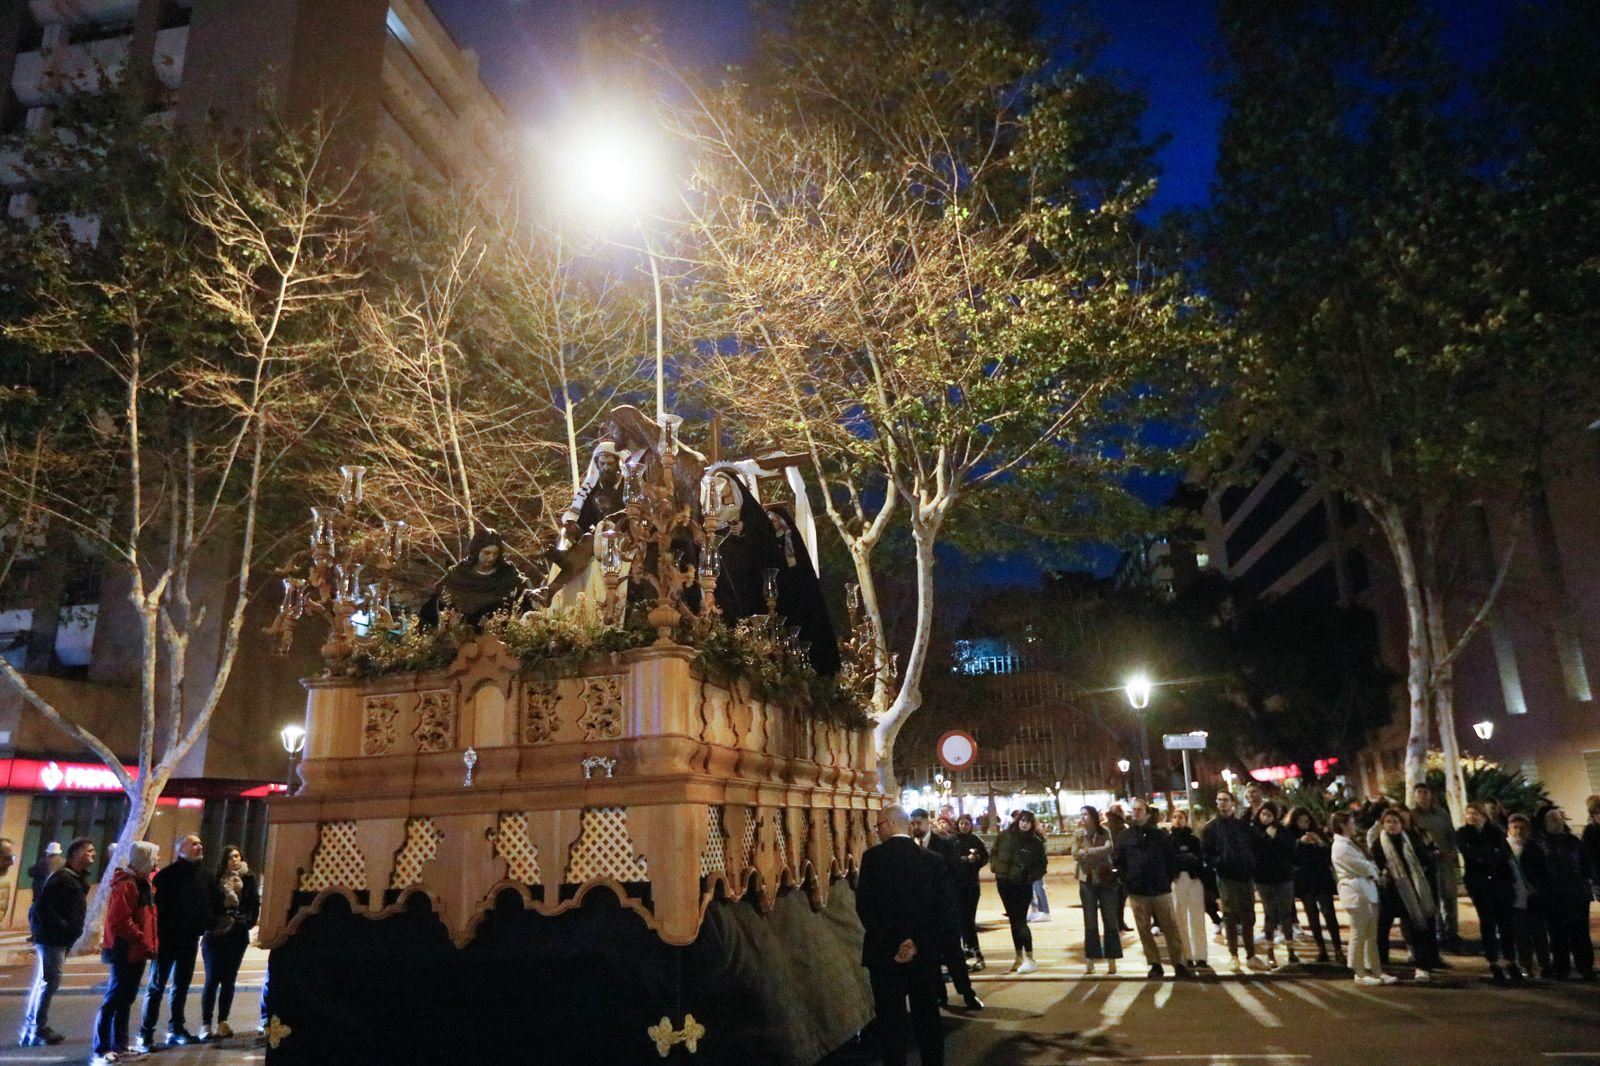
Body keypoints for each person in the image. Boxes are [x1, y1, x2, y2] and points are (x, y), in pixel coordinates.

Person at [855, 804, 945, 1066]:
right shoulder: (932, 861)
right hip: (923, 956)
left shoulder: (872, 858)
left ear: (892, 824)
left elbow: (865, 907)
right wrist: (915, 943)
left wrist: (893, 943)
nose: (877, 830)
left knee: (891, 1023)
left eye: (879, 825)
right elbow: (941, 911)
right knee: (927, 1019)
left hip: (884, 955)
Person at [19, 836, 94, 1047]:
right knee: (48, 983)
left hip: (58, 939)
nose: (93, 854)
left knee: (45, 983)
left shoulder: (73, 877)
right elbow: (43, 907)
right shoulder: (62, 878)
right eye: (89, 851)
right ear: (77, 854)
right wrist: (64, 928)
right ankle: (37, 1028)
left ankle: (33, 1027)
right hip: (52, 939)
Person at [141, 833, 213, 1049]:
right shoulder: (166, 876)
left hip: (190, 939)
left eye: (200, 842)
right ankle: (146, 1032)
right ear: (181, 849)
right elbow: (157, 910)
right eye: (194, 843)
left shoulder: (205, 876)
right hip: (167, 939)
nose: (199, 846)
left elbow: (208, 904)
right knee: (157, 986)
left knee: (181, 986)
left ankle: (176, 1027)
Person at [94, 841, 160, 1066]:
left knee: (126, 999)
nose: (156, 862)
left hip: (137, 950)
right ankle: (102, 1048)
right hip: (125, 950)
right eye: (154, 857)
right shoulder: (128, 885)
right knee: (114, 999)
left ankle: (120, 1045)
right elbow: (120, 920)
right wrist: (141, 937)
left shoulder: (143, 884)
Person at [908, 811, 982, 1011]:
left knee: (954, 957)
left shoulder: (944, 844)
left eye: (919, 822)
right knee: (930, 960)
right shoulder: (909, 846)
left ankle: (967, 994)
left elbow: (957, 874)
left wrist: (952, 905)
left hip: (944, 911)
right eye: (912, 823)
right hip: (923, 916)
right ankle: (940, 995)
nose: (915, 826)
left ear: (927, 823)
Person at [1113, 798, 1190, 979]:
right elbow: (1119, 861)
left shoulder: (1159, 835)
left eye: (1140, 810)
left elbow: (1171, 858)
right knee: (1143, 929)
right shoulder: (1124, 837)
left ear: (1147, 814)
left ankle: (1179, 963)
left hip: (1160, 889)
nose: (1136, 813)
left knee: (1170, 927)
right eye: (1134, 810)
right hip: (1137, 890)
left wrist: (1166, 878)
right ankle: (1154, 963)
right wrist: (1127, 879)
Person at [764, 503, 841, 674]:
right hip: (781, 596)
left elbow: (801, 570)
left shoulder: (792, 541)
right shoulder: (767, 544)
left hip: (801, 594)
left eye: (775, 520)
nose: (772, 524)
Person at [1372, 808, 1442, 981]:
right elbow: (1377, 865)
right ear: (1383, 824)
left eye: (1395, 821)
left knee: (1417, 926)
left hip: (1411, 891)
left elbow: (1424, 859)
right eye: (1388, 821)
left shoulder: (1410, 839)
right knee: (1382, 927)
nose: (1392, 825)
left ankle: (1422, 966)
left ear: (1401, 824)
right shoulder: (1378, 843)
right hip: (1389, 891)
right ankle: (1382, 964)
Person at [200, 845, 261, 1039]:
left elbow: (254, 904)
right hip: (216, 934)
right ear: (224, 860)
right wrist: (212, 923)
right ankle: (206, 1023)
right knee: (212, 979)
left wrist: (246, 921)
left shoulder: (248, 878)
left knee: (229, 979)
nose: (234, 860)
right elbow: (208, 903)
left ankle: (223, 1022)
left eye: (237, 856)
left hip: (237, 933)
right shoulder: (216, 878)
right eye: (230, 857)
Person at [1458, 802, 1520, 982]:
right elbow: (1468, 852)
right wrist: (1489, 853)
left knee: (1506, 924)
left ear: (1483, 816)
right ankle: (1494, 962)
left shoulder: (1495, 831)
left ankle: (1510, 960)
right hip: (1479, 885)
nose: (1472, 817)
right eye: (1468, 814)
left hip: (1501, 883)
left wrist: (1487, 855)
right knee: (1488, 924)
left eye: (1475, 813)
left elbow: (1504, 853)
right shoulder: (1463, 833)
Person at [1330, 813, 1393, 985]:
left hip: (1365, 891)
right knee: (1359, 933)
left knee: (1370, 934)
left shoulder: (1349, 844)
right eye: (1351, 822)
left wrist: (1371, 869)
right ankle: (1359, 972)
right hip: (1356, 893)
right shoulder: (1341, 847)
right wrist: (1373, 870)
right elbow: (1362, 866)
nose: (1354, 825)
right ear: (1343, 825)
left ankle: (1376, 970)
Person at [1534, 805, 1597, 980]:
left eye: (1558, 818)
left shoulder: (1574, 842)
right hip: (1553, 896)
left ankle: (1585, 967)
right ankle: (1561, 968)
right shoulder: (1539, 844)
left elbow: (1587, 864)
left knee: (1581, 934)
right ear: (1545, 822)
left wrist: (1591, 884)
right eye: (1552, 819)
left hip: (1577, 894)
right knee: (1557, 934)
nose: (1556, 821)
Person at [1203, 790, 1262, 972]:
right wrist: (1220, 862)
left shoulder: (1244, 826)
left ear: (1232, 803)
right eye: (1219, 800)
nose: (1222, 803)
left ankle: (1251, 954)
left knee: (1248, 915)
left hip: (1245, 875)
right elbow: (1206, 853)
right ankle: (1233, 955)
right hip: (1226, 876)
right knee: (1229, 915)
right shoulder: (1211, 828)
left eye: (1225, 800)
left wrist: (1251, 864)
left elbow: (1256, 846)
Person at [993, 809, 1047, 974]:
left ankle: (1030, 957)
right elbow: (993, 853)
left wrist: (1028, 877)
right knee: (1013, 921)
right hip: (1004, 883)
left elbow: (1042, 865)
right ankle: (1018, 956)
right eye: (1022, 820)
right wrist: (995, 867)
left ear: (1032, 824)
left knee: (1020, 921)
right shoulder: (1004, 836)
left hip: (1022, 885)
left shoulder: (1034, 842)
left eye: (1028, 821)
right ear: (1017, 821)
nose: (1024, 824)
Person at [1288, 808, 1342, 964]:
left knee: (1329, 913)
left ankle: (1338, 949)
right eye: (1300, 821)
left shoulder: (1318, 833)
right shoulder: (1290, 835)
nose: (1304, 824)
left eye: (1306, 821)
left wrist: (1319, 843)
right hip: (1304, 880)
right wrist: (1300, 843)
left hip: (1321, 877)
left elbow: (1329, 854)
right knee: (1312, 915)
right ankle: (1321, 949)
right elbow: (1290, 856)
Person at [1410, 783, 1460, 946]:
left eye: (1426, 792)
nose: (1423, 795)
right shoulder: (1413, 816)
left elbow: (1451, 834)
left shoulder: (1442, 814)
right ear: (1414, 795)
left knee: (1450, 897)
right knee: (1433, 899)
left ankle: (1452, 931)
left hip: (1445, 861)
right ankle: (1439, 933)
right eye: (1419, 792)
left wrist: (1452, 851)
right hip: (1427, 864)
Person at [1073, 806, 1121, 975]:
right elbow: (1075, 854)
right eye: (1081, 815)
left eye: (1085, 814)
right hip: (1087, 882)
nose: (1083, 817)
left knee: (1110, 920)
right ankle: (1090, 959)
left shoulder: (1104, 832)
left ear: (1093, 816)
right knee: (1090, 922)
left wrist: (1087, 852)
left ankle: (1112, 958)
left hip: (1105, 880)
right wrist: (1093, 853)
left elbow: (1109, 848)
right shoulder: (1079, 834)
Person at [1251, 802, 1299, 968]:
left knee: (1286, 914)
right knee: (1270, 914)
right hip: (1264, 879)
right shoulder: (1255, 832)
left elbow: (1290, 851)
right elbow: (1255, 852)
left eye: (1269, 815)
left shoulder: (1283, 831)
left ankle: (1291, 951)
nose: (1266, 818)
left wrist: (1275, 837)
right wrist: (1266, 837)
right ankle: (1270, 953)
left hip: (1283, 877)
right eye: (1263, 814)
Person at [1506, 813, 1553, 979]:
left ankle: (1544, 965)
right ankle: (1525, 965)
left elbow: (1543, 872)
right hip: (1514, 899)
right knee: (1521, 936)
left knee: (1539, 934)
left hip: (1534, 898)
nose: (1519, 831)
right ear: (1509, 829)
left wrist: (1539, 888)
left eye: (1522, 828)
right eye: (1515, 827)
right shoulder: (1504, 849)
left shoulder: (1533, 848)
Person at [1168, 809, 1210, 969]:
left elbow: (1200, 859)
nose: (1178, 820)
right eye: (1175, 817)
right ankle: (1186, 955)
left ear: (1186, 820)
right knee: (1180, 920)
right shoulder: (1169, 840)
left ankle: (1201, 956)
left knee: (1197, 918)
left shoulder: (1194, 840)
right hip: (1177, 880)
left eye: (1181, 817)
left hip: (1194, 879)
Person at [949, 815, 989, 970]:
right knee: (959, 920)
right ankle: (965, 950)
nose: (963, 826)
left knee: (968, 920)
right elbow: (951, 861)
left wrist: (976, 860)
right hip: (956, 886)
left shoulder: (976, 841)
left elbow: (985, 857)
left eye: (966, 823)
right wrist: (965, 859)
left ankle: (973, 950)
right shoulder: (953, 841)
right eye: (961, 823)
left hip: (971, 886)